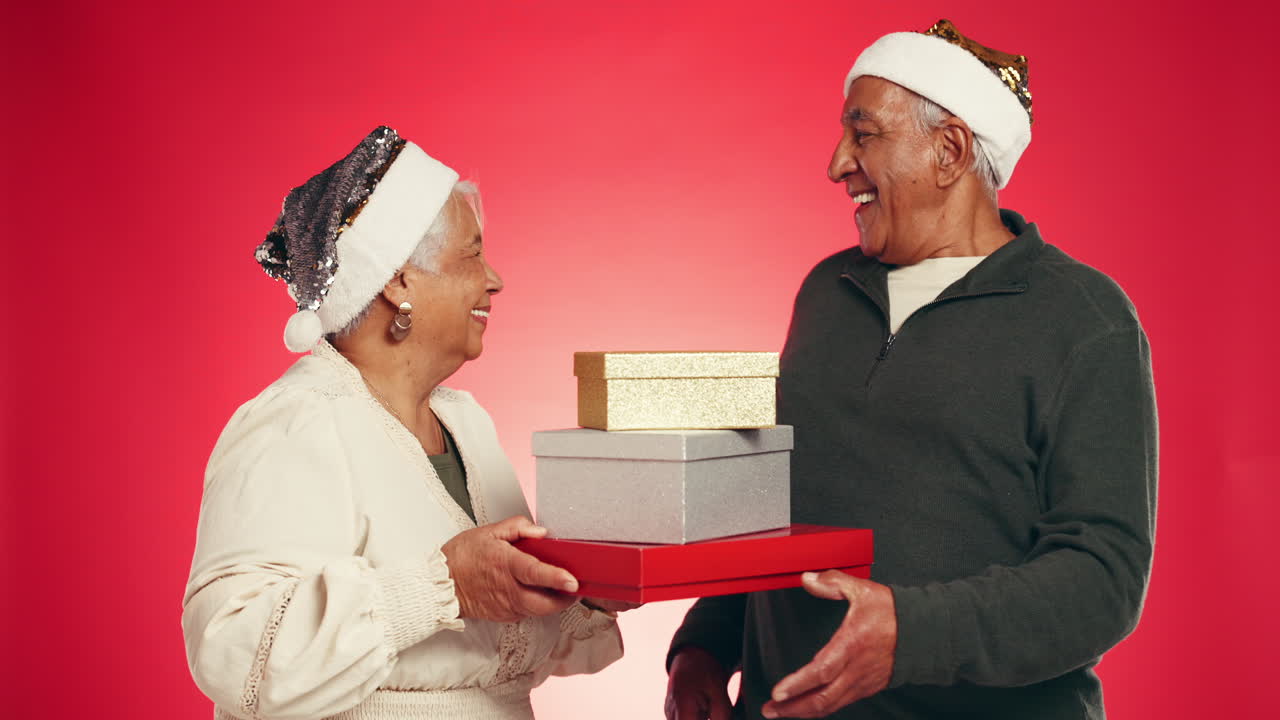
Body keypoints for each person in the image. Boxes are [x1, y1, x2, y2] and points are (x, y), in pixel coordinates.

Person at [665, 19, 1157, 720]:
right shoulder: (826, 292)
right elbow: (770, 505)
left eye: (863, 135)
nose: (837, 164)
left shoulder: (1085, 320)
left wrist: (915, 633)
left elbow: (1104, 580)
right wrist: (703, 648)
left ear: (949, 151)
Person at [183, 126, 628, 720]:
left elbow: (492, 651)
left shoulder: (467, 425)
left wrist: (589, 585)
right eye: (472, 252)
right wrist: (443, 586)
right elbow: (237, 658)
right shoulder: (296, 426)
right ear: (398, 279)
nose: (494, 280)